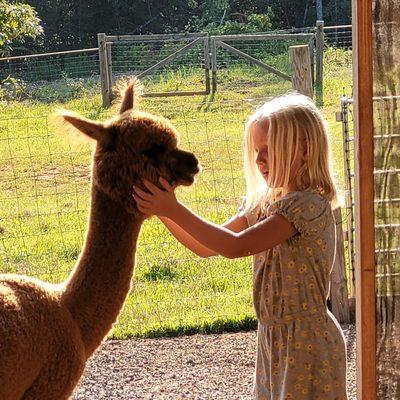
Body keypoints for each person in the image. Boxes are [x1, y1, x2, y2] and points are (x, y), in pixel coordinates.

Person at [133, 93, 348, 400]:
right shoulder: (266, 203)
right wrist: (163, 211)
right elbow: (206, 246)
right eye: (256, 151)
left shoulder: (307, 206)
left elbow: (235, 246)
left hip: (308, 340)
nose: (259, 160)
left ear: (303, 149)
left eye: (268, 150)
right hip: (272, 335)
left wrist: (174, 209)